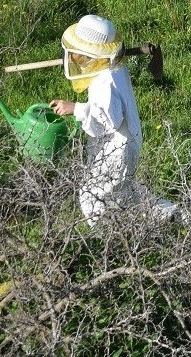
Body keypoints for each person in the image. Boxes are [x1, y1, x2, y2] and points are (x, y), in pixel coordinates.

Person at [50, 15, 178, 227]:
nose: (72, 57)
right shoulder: (114, 68)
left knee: (93, 198)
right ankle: (171, 215)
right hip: (126, 139)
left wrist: (75, 109)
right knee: (124, 189)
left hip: (118, 146)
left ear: (89, 55)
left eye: (76, 53)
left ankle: (111, 241)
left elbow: (109, 119)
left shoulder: (106, 81)